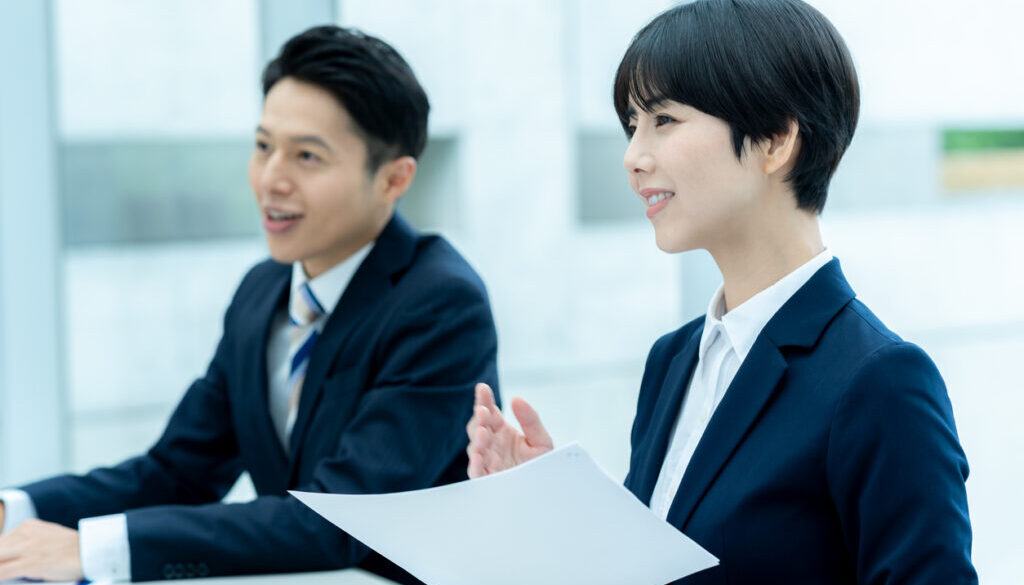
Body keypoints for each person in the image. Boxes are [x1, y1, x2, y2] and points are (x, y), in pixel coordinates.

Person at [466, 1, 977, 583]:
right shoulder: (675, 359)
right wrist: (555, 508)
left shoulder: (879, 381)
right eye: (631, 125)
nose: (633, 158)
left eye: (664, 120)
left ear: (775, 140)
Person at [0, 25, 498, 584]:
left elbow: (341, 521)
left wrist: (92, 553)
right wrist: (13, 511)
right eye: (263, 146)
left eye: (307, 156)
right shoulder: (261, 293)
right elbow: (177, 473)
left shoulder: (440, 304)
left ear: (393, 179)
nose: (270, 179)